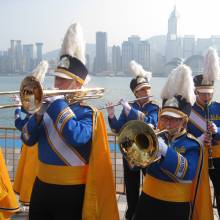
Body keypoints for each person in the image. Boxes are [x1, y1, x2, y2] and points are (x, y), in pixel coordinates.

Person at [20, 22, 119, 220]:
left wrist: (56, 105)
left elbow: (77, 137)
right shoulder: (48, 109)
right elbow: (27, 138)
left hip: (71, 192)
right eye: (56, 78)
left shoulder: (88, 113)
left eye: (63, 80)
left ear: (78, 84)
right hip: (41, 187)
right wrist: (38, 114)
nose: (57, 84)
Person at [133, 64, 208, 220]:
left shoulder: (192, 145)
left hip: (175, 207)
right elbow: (135, 165)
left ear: (184, 121)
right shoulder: (156, 138)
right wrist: (135, 151)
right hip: (147, 201)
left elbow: (186, 173)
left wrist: (164, 149)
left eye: (173, 119)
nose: (167, 123)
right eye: (165, 117)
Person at [106, 60, 159, 220]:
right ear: (136, 93)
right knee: (131, 186)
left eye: (147, 88)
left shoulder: (154, 106)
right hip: (131, 152)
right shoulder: (129, 106)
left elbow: (151, 121)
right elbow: (117, 128)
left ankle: (148, 214)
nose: (146, 91)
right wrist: (111, 115)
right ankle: (132, 214)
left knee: (150, 184)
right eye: (142, 90)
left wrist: (130, 110)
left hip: (149, 152)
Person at [188, 47, 220, 218]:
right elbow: (183, 133)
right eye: (203, 94)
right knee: (196, 194)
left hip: (217, 158)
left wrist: (217, 130)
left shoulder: (218, 108)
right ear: (196, 92)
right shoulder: (189, 111)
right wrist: (197, 139)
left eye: (209, 94)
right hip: (197, 156)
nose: (206, 97)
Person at [13, 61, 48, 205]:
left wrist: (16, 109)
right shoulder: (39, 105)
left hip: (30, 147)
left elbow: (20, 125)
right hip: (39, 147)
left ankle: (31, 200)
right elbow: (27, 110)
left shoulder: (32, 110)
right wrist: (20, 104)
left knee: (29, 175)